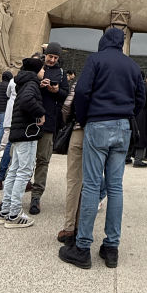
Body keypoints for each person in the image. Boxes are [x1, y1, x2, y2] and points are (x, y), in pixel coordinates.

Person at [59, 26, 145, 270]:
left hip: (97, 123)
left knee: (92, 185)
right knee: (115, 187)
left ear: (104, 40)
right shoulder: (133, 66)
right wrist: (127, 115)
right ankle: (111, 248)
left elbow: (83, 91)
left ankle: (83, 247)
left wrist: (85, 118)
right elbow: (141, 99)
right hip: (123, 127)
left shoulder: (95, 59)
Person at [0, 58, 45, 228]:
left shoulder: (22, 82)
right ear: (36, 70)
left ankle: (6, 210)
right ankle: (15, 214)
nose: (44, 71)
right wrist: (41, 113)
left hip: (18, 131)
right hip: (27, 132)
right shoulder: (32, 83)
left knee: (14, 171)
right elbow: (27, 102)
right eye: (42, 69)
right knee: (24, 172)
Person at [29, 42, 69, 215]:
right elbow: (22, 85)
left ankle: (36, 196)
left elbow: (66, 96)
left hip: (49, 122)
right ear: (45, 55)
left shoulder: (61, 73)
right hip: (30, 120)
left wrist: (56, 90)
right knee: (23, 159)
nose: (52, 60)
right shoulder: (36, 67)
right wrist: (39, 82)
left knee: (43, 160)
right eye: (50, 56)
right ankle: (13, 194)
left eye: (55, 57)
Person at [57, 68, 86, 245]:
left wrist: (68, 121)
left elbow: (67, 106)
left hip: (79, 130)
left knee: (74, 180)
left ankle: (69, 228)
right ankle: (83, 227)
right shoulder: (104, 84)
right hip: (98, 133)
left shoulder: (80, 82)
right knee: (89, 183)